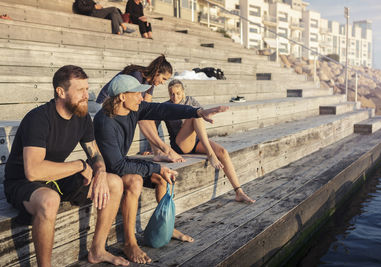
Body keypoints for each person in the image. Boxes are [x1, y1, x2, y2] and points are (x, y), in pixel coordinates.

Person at [93, 74, 228, 264]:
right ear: (122, 97)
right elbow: (117, 166)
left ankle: (167, 226)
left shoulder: (133, 109)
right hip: (106, 170)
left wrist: (196, 112)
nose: (142, 97)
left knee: (161, 177)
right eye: (137, 94)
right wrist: (156, 166)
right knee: (136, 180)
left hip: (120, 163)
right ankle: (130, 242)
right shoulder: (104, 121)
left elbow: (163, 109)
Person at [3, 65, 129, 266]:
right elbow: (33, 171)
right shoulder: (39, 118)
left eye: (87, 89)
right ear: (60, 92)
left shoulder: (82, 117)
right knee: (50, 199)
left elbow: (95, 154)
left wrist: (101, 172)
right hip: (22, 182)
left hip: (55, 178)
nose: (86, 95)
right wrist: (80, 165)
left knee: (114, 183)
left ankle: (97, 250)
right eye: (80, 90)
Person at [165, 79, 255, 203]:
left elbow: (202, 114)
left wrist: (206, 115)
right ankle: (211, 154)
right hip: (180, 145)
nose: (175, 97)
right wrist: (153, 148)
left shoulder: (190, 100)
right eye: (172, 94)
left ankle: (239, 192)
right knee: (194, 114)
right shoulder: (166, 106)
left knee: (222, 152)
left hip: (196, 141)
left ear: (183, 92)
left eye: (178, 93)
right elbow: (153, 124)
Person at [96, 55, 182, 162]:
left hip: (121, 106)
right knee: (142, 117)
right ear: (157, 73)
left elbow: (147, 109)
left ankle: (157, 152)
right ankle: (163, 150)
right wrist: (164, 146)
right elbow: (138, 109)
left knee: (147, 116)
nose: (163, 82)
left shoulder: (150, 84)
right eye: (163, 78)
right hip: (105, 104)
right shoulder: (137, 75)